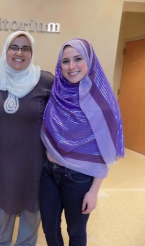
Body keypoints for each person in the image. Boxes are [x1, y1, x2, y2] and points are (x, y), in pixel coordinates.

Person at [40, 38, 125, 246]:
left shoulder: (102, 102)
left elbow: (105, 152)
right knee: (49, 227)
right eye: (65, 61)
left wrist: (94, 191)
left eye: (78, 59)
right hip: (49, 173)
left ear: (89, 60)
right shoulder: (56, 93)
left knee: (76, 232)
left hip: (79, 179)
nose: (71, 66)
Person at [0, 31, 54, 246]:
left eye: (25, 48)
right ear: (6, 51)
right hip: (4, 161)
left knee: (30, 218)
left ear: (32, 52)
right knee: (1, 219)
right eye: (14, 47)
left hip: (34, 162)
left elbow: (62, 116)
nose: (19, 52)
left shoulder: (45, 80)